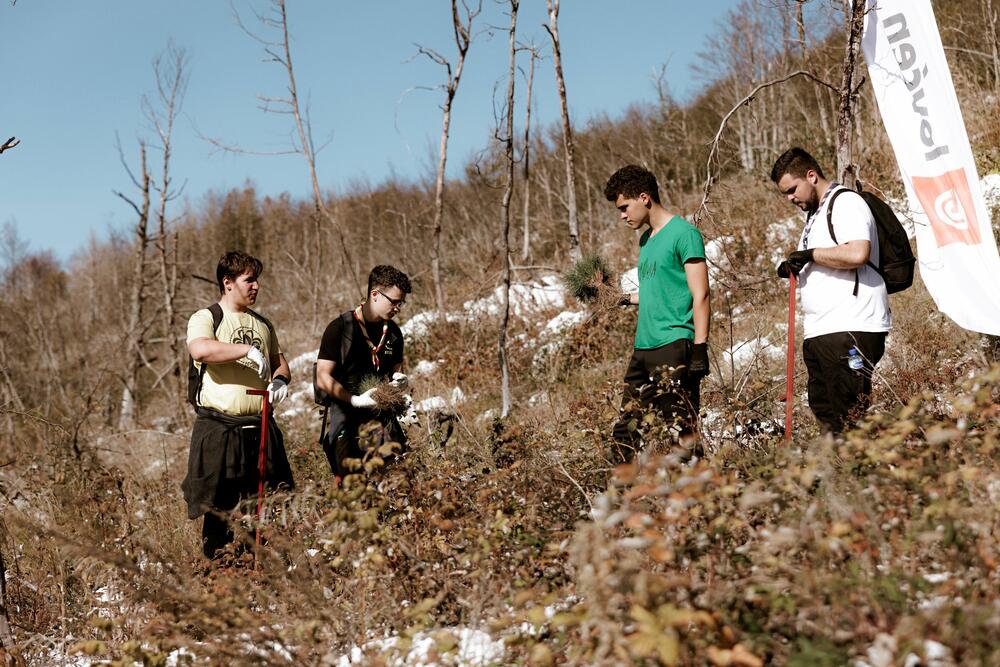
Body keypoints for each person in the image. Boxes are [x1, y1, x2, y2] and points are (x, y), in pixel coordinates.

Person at [181, 250, 294, 560]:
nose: (256, 286)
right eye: (249, 280)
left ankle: (260, 581)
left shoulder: (263, 324)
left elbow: (280, 363)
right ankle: (218, 580)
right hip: (220, 429)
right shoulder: (207, 317)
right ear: (228, 282)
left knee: (264, 506)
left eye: (257, 280)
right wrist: (244, 350)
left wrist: (281, 381)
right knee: (221, 512)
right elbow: (200, 349)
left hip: (259, 429)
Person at [770, 147, 890, 434]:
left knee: (851, 418)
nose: (790, 198)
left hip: (851, 324)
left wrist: (810, 255)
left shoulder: (846, 203)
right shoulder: (814, 215)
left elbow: (857, 253)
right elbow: (826, 257)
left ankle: (870, 475)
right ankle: (843, 474)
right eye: (785, 193)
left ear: (811, 175)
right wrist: (797, 266)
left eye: (792, 190)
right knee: (828, 418)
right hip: (822, 330)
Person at [603, 165, 711, 460]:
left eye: (625, 207)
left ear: (644, 197)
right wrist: (623, 299)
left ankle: (699, 501)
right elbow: (657, 291)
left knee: (681, 433)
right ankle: (619, 501)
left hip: (675, 345)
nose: (622, 215)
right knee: (625, 432)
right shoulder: (646, 240)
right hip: (643, 348)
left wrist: (700, 347)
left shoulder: (684, 234)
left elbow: (700, 292)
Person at [315, 265, 411, 479]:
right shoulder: (340, 329)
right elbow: (322, 377)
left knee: (399, 480)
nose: (398, 308)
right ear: (375, 294)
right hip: (347, 421)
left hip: (383, 419)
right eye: (394, 302)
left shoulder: (394, 332)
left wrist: (401, 382)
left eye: (401, 303)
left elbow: (396, 371)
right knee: (354, 488)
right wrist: (355, 400)